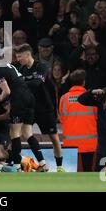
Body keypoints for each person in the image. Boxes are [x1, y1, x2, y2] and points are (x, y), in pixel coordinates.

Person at [0, 52, 45, 172]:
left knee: (15, 134)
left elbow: (7, 91)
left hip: (18, 99)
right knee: (28, 134)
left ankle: (17, 166)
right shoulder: (4, 64)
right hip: (29, 97)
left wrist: (1, 97)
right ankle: (42, 163)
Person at [15, 43, 64, 172]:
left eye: (20, 56)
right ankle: (41, 163)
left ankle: (59, 166)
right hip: (30, 108)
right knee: (25, 134)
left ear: (27, 54)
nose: (18, 59)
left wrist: (20, 84)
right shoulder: (21, 70)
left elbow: (37, 83)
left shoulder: (41, 67)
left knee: (54, 138)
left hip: (45, 108)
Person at [59, 70, 97, 172]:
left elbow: (62, 119)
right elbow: (98, 117)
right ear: (84, 82)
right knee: (87, 169)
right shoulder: (92, 97)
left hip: (70, 141)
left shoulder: (64, 98)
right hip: (88, 141)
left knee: (70, 171)